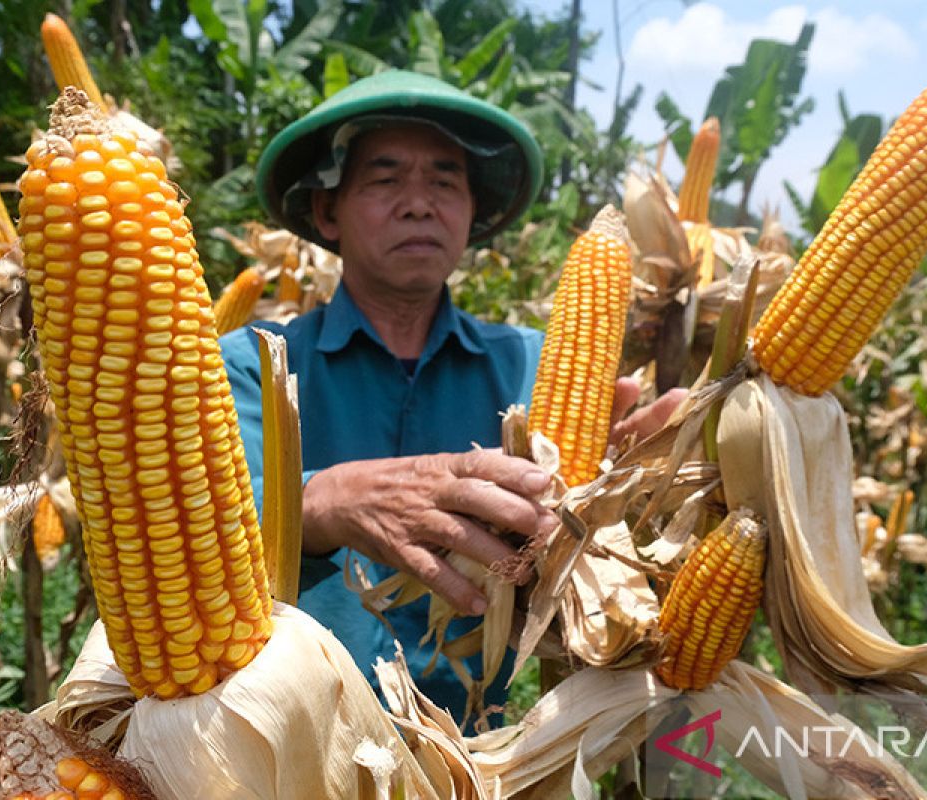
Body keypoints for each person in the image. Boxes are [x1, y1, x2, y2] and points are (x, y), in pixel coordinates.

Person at [219, 70, 683, 724]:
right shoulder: (252, 365)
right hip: (283, 751)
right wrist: (325, 499)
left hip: (476, 759)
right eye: (385, 179)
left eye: (444, 181)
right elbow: (196, 531)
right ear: (327, 211)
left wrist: (612, 504)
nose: (419, 203)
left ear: (472, 212)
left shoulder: (532, 363)